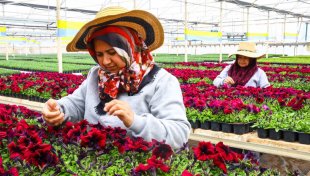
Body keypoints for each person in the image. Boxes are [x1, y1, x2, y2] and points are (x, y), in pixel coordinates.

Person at [42, 6, 190, 149]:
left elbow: (179, 134)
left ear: (130, 47)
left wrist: (135, 120)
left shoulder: (162, 81)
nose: (105, 61)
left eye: (112, 52)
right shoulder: (96, 75)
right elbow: (76, 104)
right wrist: (58, 109)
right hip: (95, 161)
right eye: (99, 55)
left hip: (136, 165)